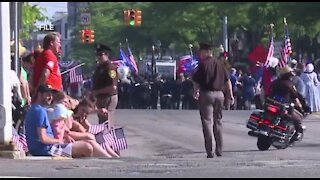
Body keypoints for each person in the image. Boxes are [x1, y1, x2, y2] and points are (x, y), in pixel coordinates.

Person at [25, 84, 115, 158]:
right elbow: (43, 138)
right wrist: (58, 141)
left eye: (51, 95)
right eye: (47, 94)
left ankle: (109, 161)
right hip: (45, 149)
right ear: (40, 94)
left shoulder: (37, 109)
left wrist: (64, 138)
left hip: (45, 147)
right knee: (87, 147)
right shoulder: (39, 111)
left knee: (90, 142)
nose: (50, 97)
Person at [192, 53, 234, 158]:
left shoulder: (203, 65)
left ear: (205, 51)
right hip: (220, 95)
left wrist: (196, 91)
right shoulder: (220, 64)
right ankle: (219, 150)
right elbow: (227, 81)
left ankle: (210, 151)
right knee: (218, 121)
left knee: (207, 121)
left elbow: (196, 80)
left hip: (207, 94)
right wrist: (230, 95)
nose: (200, 55)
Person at [269, 66, 307, 139]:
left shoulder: (274, 82)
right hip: (283, 106)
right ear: (288, 75)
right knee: (298, 118)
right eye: (291, 75)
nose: (291, 77)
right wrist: (302, 108)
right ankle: (297, 133)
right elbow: (296, 98)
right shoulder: (289, 85)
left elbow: (267, 92)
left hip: (271, 103)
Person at [91, 43, 119, 127]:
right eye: (97, 55)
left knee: (107, 121)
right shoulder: (99, 68)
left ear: (107, 55)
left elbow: (112, 87)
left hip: (108, 97)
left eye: (100, 54)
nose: (98, 57)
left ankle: (109, 139)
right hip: (100, 98)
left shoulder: (110, 68)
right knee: (102, 121)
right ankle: (104, 138)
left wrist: (96, 92)